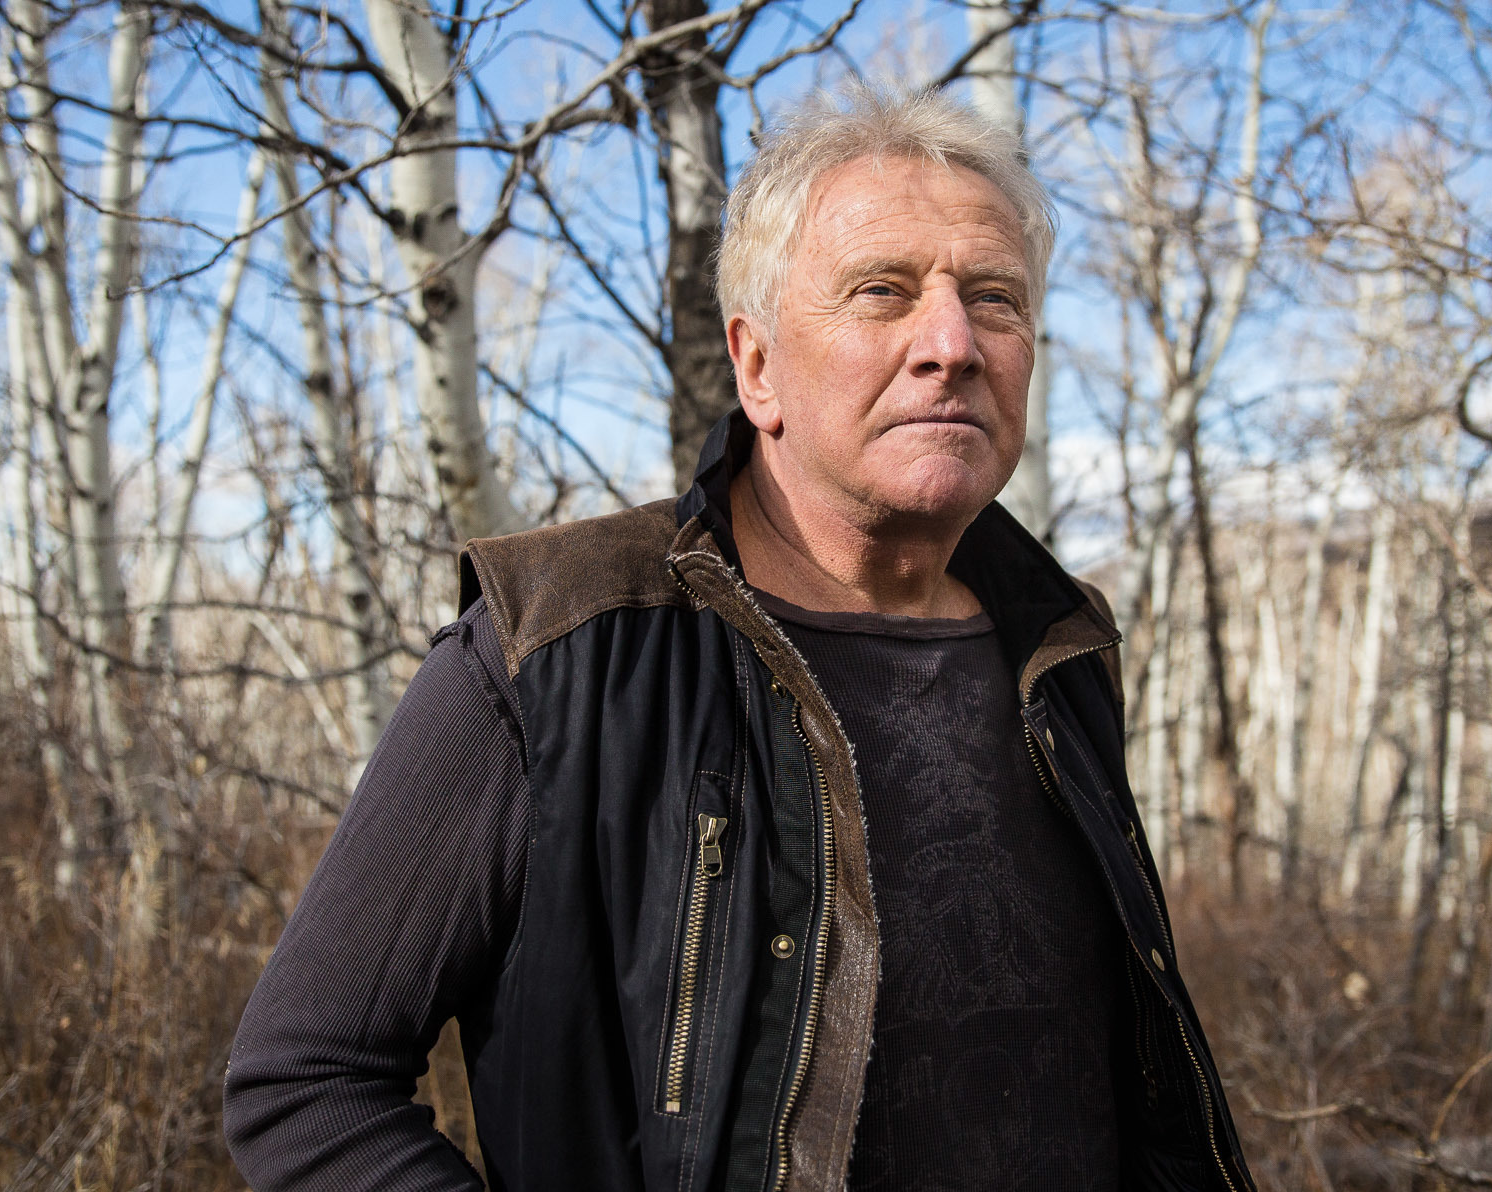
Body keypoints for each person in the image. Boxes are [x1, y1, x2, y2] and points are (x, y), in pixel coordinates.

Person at [223, 88, 1257, 1192]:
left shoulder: (1062, 649)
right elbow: (305, 1082)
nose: (952, 344)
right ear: (758, 367)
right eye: (882, 291)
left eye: (995, 299)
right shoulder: (557, 647)